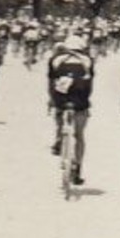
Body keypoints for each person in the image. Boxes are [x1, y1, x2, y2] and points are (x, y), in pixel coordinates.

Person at [47, 34, 95, 185]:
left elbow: (51, 82)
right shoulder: (87, 60)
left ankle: (59, 136)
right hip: (80, 98)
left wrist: (52, 99)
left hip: (61, 96)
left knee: (59, 112)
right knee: (79, 135)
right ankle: (78, 167)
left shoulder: (55, 59)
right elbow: (90, 84)